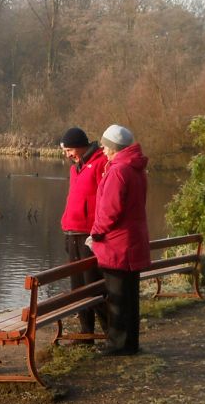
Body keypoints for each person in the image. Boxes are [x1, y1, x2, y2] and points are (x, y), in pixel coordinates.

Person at [89, 125, 151, 356]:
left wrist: (95, 233)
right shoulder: (136, 169)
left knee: (117, 297)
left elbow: (109, 211)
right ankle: (130, 342)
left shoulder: (118, 171)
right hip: (133, 240)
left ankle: (117, 345)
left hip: (117, 245)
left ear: (114, 148)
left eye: (105, 146)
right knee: (130, 297)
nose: (103, 150)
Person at [59, 127, 109, 343]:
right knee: (77, 287)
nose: (67, 154)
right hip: (72, 232)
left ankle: (110, 332)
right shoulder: (74, 169)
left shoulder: (100, 163)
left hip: (89, 235)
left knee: (94, 284)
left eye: (69, 150)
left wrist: (98, 230)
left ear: (80, 146)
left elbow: (105, 200)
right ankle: (85, 332)